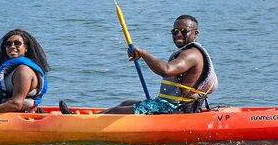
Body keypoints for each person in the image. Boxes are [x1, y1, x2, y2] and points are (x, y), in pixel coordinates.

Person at [59, 15, 217, 115]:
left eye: (183, 30)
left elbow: (166, 70)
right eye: (174, 31)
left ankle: (83, 123)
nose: (178, 34)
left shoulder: (191, 54)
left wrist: (142, 53)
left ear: (195, 33)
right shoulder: (188, 52)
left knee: (116, 111)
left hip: (174, 110)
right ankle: (91, 117)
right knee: (125, 104)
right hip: (168, 105)